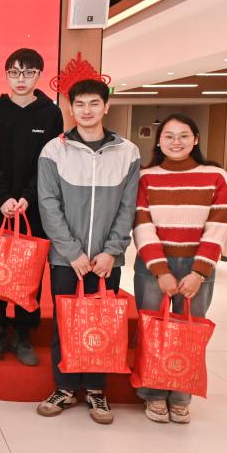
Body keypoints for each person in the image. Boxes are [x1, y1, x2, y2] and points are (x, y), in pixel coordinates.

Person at [36, 78, 140, 425]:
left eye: (94, 103)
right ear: (70, 108)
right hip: (67, 258)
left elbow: (128, 207)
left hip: (107, 260)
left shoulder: (127, 152)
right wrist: (71, 252)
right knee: (64, 323)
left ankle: (96, 389)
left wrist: (112, 251)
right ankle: (64, 387)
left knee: (103, 324)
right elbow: (48, 204)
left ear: (106, 107)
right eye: (79, 104)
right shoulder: (54, 150)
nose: (87, 110)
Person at [133, 114, 227, 425]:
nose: (176, 142)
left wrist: (199, 272)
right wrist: (161, 270)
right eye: (169, 136)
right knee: (153, 331)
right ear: (159, 141)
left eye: (184, 135)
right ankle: (153, 393)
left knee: (190, 331)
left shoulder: (216, 176)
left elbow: (218, 227)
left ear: (195, 139)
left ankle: (180, 397)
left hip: (196, 265)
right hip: (153, 264)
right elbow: (142, 225)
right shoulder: (145, 177)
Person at [0, 48, 63, 366]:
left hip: (34, 206)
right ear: (6, 75)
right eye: (15, 72)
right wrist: (1, 197)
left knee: (29, 271)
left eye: (28, 73)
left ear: (39, 75)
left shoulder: (50, 113)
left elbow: (49, 162)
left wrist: (28, 196)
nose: (21, 79)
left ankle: (22, 334)